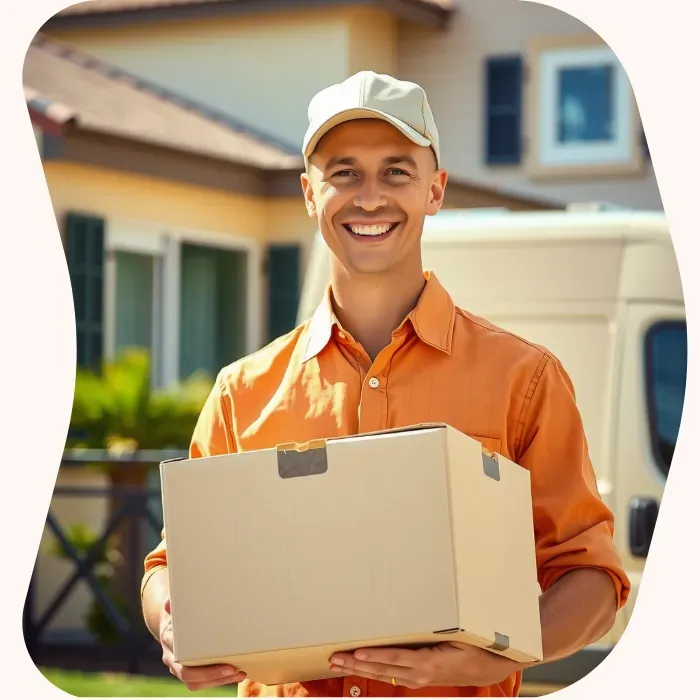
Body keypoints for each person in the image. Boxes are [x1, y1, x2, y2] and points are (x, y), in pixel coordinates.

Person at [141, 71, 629, 697]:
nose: (370, 197)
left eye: (397, 171)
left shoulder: (525, 380)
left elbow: (591, 577)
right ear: (310, 194)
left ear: (436, 189)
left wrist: (494, 658)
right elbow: (171, 570)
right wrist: (175, 629)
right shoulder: (243, 392)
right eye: (343, 172)